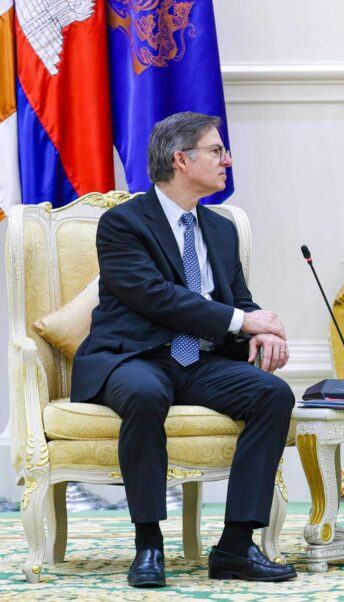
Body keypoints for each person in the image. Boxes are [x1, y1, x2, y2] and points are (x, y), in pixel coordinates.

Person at [71, 112, 297, 587]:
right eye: (216, 151)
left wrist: (259, 329)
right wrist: (242, 320)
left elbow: (238, 299)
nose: (226, 160)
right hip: (133, 356)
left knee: (272, 395)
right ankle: (148, 546)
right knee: (144, 393)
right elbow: (155, 296)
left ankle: (236, 546)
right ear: (181, 159)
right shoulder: (122, 223)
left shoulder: (220, 228)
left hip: (200, 360)